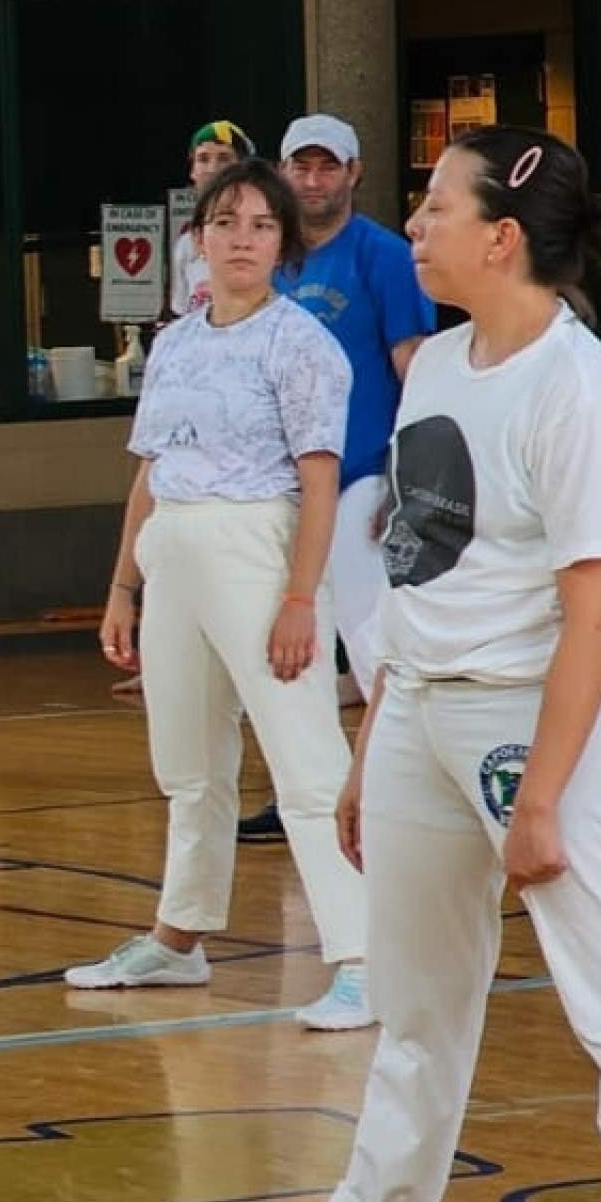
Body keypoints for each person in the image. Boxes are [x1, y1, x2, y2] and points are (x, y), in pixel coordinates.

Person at [217, 128, 601, 1202]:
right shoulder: (439, 369)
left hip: (543, 716)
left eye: (435, 205)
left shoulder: (580, 388)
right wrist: (376, 744)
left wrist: (544, 794)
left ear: (502, 237)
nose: (415, 224)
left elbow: (593, 611)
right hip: (422, 707)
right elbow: (418, 571)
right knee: (415, 992)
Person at [80, 160, 372, 1030]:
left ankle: (363, 956)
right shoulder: (174, 343)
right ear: (197, 239)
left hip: (256, 547)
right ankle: (178, 937)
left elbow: (318, 482)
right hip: (174, 548)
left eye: (260, 225)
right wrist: (122, 584)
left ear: (282, 245)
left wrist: (299, 599)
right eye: (224, 222)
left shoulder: (301, 344)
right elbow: (150, 469)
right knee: (188, 764)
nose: (240, 239)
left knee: (305, 762)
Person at [236, 113, 436, 843]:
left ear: (353, 172)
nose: (313, 180)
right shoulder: (271, 255)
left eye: (328, 166)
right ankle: (304, 792)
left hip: (359, 475)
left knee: (369, 633)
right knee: (291, 642)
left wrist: (408, 472)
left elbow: (413, 364)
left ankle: (398, 782)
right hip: (278, 480)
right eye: (301, 166)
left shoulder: (382, 255)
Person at [170, 120, 257, 319]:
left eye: (224, 158)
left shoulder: (264, 238)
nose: (212, 168)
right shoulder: (186, 246)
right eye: (203, 159)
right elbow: (181, 315)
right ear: (192, 171)